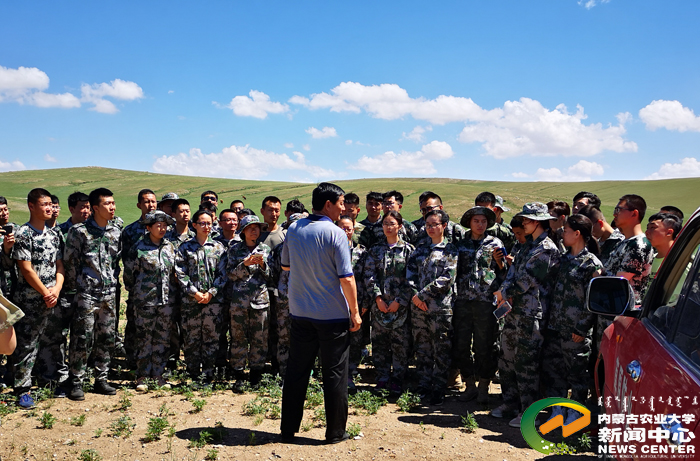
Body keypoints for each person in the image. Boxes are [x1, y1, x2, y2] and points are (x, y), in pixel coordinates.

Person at [280, 182, 361, 445]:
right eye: (341, 203)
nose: (343, 208)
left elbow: (286, 266)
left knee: (296, 371)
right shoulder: (336, 233)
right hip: (332, 315)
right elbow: (346, 278)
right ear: (328, 204)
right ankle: (335, 432)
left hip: (301, 312)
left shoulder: (294, 228)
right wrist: (355, 312)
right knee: (335, 374)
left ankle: (288, 429)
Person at [493, 202, 560, 428]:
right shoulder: (526, 246)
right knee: (507, 359)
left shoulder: (547, 249)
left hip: (531, 313)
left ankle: (530, 411)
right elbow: (512, 274)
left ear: (538, 222)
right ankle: (510, 403)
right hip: (514, 311)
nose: (523, 223)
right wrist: (504, 292)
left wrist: (505, 293)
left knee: (526, 364)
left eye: (527, 220)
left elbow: (526, 281)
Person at [541, 215, 603, 426]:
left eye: (566, 231)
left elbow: (593, 300)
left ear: (577, 234)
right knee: (554, 371)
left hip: (575, 329)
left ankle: (576, 411)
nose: (562, 235)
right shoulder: (562, 260)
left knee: (576, 373)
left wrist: (582, 327)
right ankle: (557, 409)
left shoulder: (591, 264)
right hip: (555, 326)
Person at [63, 188, 121, 400]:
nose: (112, 207)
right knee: (82, 338)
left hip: (109, 294)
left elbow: (116, 262)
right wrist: (78, 287)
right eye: (107, 204)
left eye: (113, 203)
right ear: (95, 207)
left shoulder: (116, 231)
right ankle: (76, 381)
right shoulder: (79, 232)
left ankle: (101, 379)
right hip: (86, 294)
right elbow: (70, 262)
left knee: (106, 337)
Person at [10, 188, 65, 409]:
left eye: (51, 204)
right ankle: (22, 389)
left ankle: (48, 381)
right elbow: (26, 269)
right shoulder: (24, 234)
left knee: (51, 341)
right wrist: (45, 292)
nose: (49, 208)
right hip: (31, 299)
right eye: (45, 204)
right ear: (31, 206)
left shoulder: (54, 234)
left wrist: (56, 289)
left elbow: (60, 265)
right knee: (27, 344)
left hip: (52, 297)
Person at [454, 206, 507, 403]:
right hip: (462, 301)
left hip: (486, 302)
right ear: (469, 222)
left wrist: (500, 262)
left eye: (484, 221)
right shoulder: (460, 244)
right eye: (476, 221)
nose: (480, 225)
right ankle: (469, 385)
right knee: (461, 344)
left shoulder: (495, 243)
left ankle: (484, 386)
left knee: (484, 346)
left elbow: (504, 273)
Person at [407, 209, 458, 406]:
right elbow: (410, 274)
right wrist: (415, 296)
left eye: (435, 224)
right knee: (422, 348)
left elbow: (447, 278)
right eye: (428, 225)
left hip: (440, 309)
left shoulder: (450, 250)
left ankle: (439, 388)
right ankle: (423, 385)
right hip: (419, 308)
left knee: (441, 349)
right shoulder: (420, 249)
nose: (431, 228)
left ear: (444, 226)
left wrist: (422, 295)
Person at [123, 210, 177, 391]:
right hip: (144, 301)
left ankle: (158, 375)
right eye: (158, 225)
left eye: (165, 225)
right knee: (144, 338)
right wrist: (138, 293)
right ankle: (142, 376)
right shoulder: (138, 248)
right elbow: (129, 275)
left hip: (166, 301)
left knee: (162, 338)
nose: (162, 229)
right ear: (148, 228)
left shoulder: (169, 246)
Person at [364, 211, 414, 395]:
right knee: (380, 344)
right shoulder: (375, 250)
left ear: (399, 226)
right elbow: (369, 276)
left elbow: (412, 279)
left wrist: (399, 301)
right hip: (380, 307)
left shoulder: (408, 250)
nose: (388, 227)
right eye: (385, 223)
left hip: (400, 307)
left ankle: (398, 380)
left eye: (392, 223)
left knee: (400, 344)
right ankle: (382, 378)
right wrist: (377, 298)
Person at [174, 210, 226, 382]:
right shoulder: (185, 248)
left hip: (213, 302)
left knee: (212, 338)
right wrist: (194, 293)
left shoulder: (219, 247)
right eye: (202, 223)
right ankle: (193, 373)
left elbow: (223, 274)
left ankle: (208, 374)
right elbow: (180, 273)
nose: (206, 227)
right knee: (191, 338)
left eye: (209, 223)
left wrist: (211, 293)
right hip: (191, 301)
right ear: (194, 225)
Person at [223, 215, 271, 390]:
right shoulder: (234, 249)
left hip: (260, 300)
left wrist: (263, 265)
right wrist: (245, 264)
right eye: (250, 228)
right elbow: (230, 274)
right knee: (238, 338)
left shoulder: (265, 249)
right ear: (243, 231)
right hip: (239, 301)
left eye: (256, 227)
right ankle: (238, 374)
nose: (254, 231)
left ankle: (256, 374)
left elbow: (271, 275)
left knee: (260, 338)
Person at [121, 189, 158, 366]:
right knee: (134, 323)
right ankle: (132, 359)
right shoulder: (130, 231)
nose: (150, 205)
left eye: (153, 201)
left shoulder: (164, 229)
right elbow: (127, 260)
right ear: (139, 205)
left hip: (159, 287)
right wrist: (132, 285)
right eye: (146, 202)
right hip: (138, 286)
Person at [337, 215, 369, 391]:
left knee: (355, 339)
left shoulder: (361, 252)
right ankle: (338, 374)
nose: (346, 231)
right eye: (342, 228)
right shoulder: (331, 250)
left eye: (348, 228)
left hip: (356, 302)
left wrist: (364, 302)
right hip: (336, 302)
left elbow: (366, 279)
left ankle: (351, 371)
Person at [645, 212, 682, 279]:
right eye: (647, 228)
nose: (647, 232)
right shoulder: (648, 260)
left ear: (669, 232)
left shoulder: (683, 261)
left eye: (652, 227)